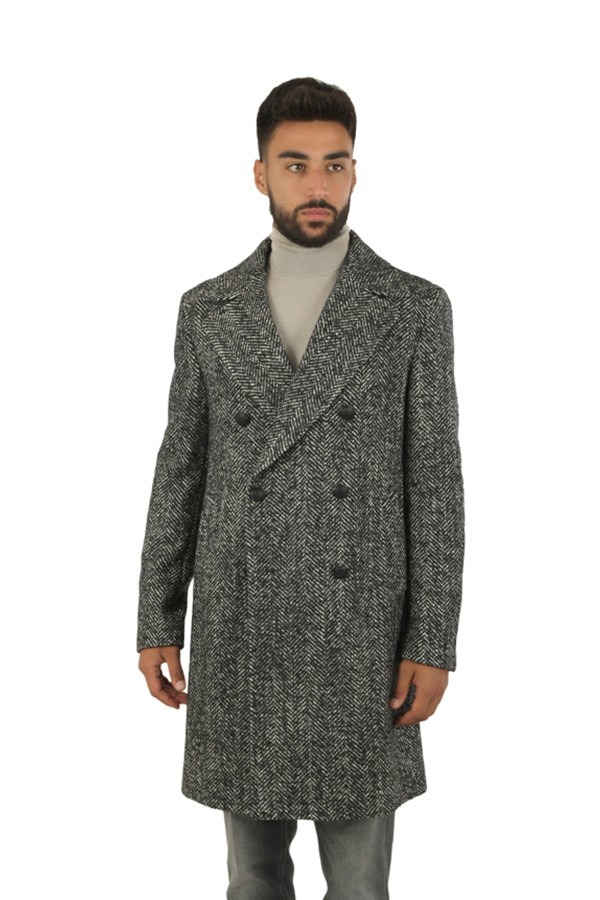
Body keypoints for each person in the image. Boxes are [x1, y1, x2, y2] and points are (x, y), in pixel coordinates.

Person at [137, 76, 466, 899]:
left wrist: (433, 641)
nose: (317, 184)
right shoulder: (208, 309)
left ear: (355, 171)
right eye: (295, 165)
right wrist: (156, 618)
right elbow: (180, 469)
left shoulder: (412, 307)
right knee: (251, 880)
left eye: (334, 164)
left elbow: (436, 484)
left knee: (359, 886)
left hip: (363, 636)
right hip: (242, 627)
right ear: (261, 174)